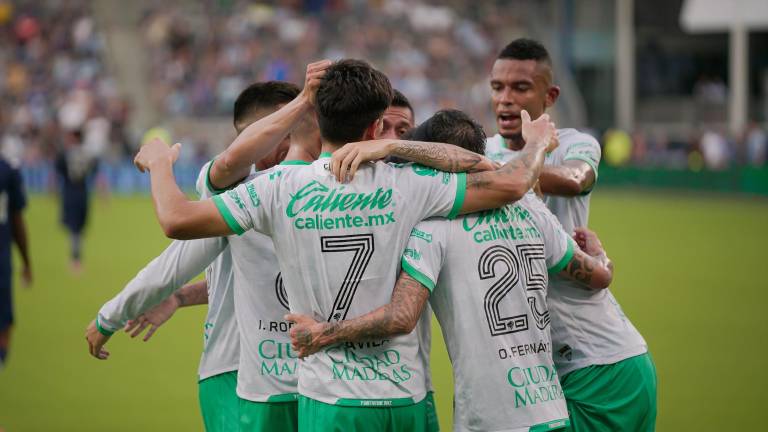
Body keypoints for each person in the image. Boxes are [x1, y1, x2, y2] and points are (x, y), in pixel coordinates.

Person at [132, 58, 555, 431]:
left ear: (317, 119)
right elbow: (508, 178)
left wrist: (159, 164)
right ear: (375, 126)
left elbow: (176, 219)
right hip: (404, 396)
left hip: (332, 400)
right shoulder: (411, 184)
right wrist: (534, 143)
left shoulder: (278, 187)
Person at [286, 109, 615, 432]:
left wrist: (324, 334)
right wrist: (600, 255)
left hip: (493, 418)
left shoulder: (433, 228)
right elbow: (599, 276)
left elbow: (401, 316)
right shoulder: (529, 206)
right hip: (551, 409)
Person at [85, 73, 320, 432]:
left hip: (304, 372)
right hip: (237, 368)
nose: (297, 139)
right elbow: (180, 258)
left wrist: (170, 299)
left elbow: (261, 274)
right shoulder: (238, 190)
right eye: (285, 128)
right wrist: (116, 314)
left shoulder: (310, 191)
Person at [485, 38, 656, 431]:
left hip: (601, 364)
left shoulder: (575, 144)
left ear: (550, 96)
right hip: (545, 369)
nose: (505, 99)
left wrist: (508, 166)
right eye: (497, 87)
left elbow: (576, 179)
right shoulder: (483, 151)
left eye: (520, 88)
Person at [0, 156, 32, 369]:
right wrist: (26, 263)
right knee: (4, 325)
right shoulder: (7, 169)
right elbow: (17, 220)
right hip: (2, 264)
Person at [55, 129, 97, 271]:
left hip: (69, 192)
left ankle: (75, 260)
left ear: (73, 138)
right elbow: (95, 171)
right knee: (79, 228)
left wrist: (52, 190)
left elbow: (57, 172)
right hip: (83, 192)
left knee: (73, 228)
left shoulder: (65, 154)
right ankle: (77, 258)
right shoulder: (88, 154)